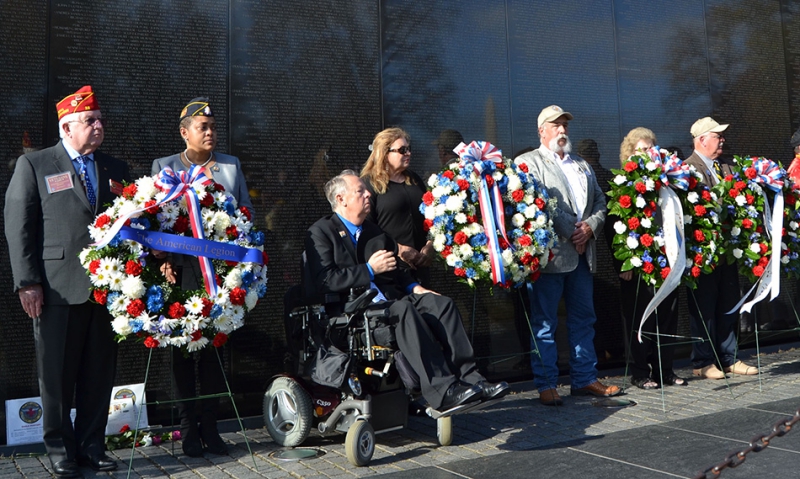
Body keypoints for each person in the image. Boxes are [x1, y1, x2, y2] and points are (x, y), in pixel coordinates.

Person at [304, 170, 509, 412]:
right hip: (353, 310)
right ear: (341, 199)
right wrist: (369, 270)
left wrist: (417, 287)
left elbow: (397, 271)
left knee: (440, 304)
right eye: (360, 191)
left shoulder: (372, 231)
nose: (368, 194)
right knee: (402, 310)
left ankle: (473, 380)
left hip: (390, 299)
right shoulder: (321, 232)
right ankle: (443, 390)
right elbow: (325, 280)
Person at [4, 86, 130, 478]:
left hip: (108, 291)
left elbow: (131, 224)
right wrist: (27, 281)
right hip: (56, 287)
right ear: (67, 126)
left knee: (98, 373)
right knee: (56, 375)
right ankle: (59, 448)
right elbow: (18, 226)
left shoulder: (115, 168)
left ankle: (93, 445)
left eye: (100, 120)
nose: (98, 126)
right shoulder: (36, 165)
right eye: (90, 120)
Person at [151, 98, 253, 457]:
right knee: (181, 352)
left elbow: (246, 217)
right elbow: (153, 221)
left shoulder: (229, 167)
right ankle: (188, 428)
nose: (210, 132)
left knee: (213, 353)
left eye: (212, 127)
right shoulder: (163, 167)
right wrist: (160, 256)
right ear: (184, 133)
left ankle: (212, 427)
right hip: (180, 272)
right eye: (202, 127)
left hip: (217, 275)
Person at [514, 105, 619, 406]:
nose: (562, 130)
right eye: (555, 125)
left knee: (584, 318)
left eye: (565, 125)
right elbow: (539, 201)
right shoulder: (528, 162)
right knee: (545, 323)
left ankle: (584, 378)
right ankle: (546, 383)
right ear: (541, 131)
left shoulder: (582, 164)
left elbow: (600, 199)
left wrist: (591, 228)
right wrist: (573, 230)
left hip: (583, 255)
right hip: (551, 257)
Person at [605, 128, 685, 389]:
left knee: (667, 316)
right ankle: (641, 372)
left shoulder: (665, 183)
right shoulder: (621, 184)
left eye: (650, 149)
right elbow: (613, 228)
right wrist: (623, 263)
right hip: (637, 266)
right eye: (640, 150)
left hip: (666, 260)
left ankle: (666, 370)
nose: (646, 155)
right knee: (641, 318)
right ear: (630, 153)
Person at [684, 117, 757, 379]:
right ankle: (703, 361)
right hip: (703, 252)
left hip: (728, 248)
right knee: (704, 305)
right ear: (702, 140)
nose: (722, 140)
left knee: (728, 302)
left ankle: (729, 357)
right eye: (717, 136)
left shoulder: (727, 166)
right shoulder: (687, 168)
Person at [361, 128, 434, 286]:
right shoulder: (369, 184)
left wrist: (430, 245)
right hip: (391, 269)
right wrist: (398, 249)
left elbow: (431, 215)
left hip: (421, 267)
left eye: (408, 149)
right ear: (384, 153)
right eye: (402, 150)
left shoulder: (414, 179)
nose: (408, 153)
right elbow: (366, 227)